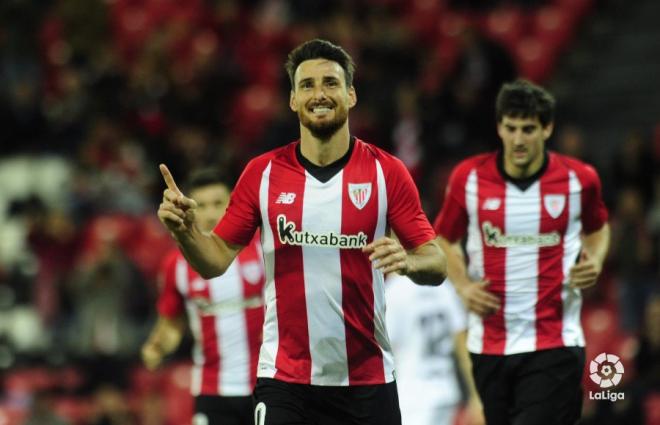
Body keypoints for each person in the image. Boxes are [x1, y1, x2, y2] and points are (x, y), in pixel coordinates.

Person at [157, 39, 447, 425]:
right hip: (285, 381)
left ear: (351, 94)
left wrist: (408, 261)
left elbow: (437, 262)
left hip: (367, 381)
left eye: (330, 82)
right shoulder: (262, 174)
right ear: (293, 100)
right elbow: (213, 261)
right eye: (307, 85)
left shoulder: (386, 172)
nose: (319, 94)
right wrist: (184, 231)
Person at [433, 79, 610, 425]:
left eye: (528, 129)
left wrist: (596, 260)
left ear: (547, 128)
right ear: (499, 126)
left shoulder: (579, 180)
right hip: (488, 346)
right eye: (510, 128)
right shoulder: (468, 179)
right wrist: (463, 286)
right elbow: (445, 240)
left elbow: (599, 228)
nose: (517, 139)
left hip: (555, 342)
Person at [143, 168, 265, 425]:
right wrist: (158, 345)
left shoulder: (265, 248)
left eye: (218, 203)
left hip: (269, 386)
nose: (211, 213)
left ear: (233, 204)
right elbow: (172, 322)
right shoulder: (176, 265)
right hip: (212, 389)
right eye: (202, 205)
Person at [385, 274, 485, 425]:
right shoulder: (443, 285)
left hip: (411, 399)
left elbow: (384, 352)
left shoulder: (393, 290)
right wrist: (475, 396)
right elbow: (462, 347)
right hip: (447, 393)